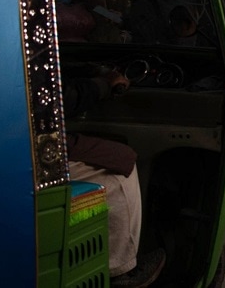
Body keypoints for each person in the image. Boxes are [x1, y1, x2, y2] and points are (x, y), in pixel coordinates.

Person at [65, 70, 166, 288]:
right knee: (120, 167)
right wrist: (102, 85)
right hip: (25, 153)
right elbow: (59, 99)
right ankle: (121, 270)